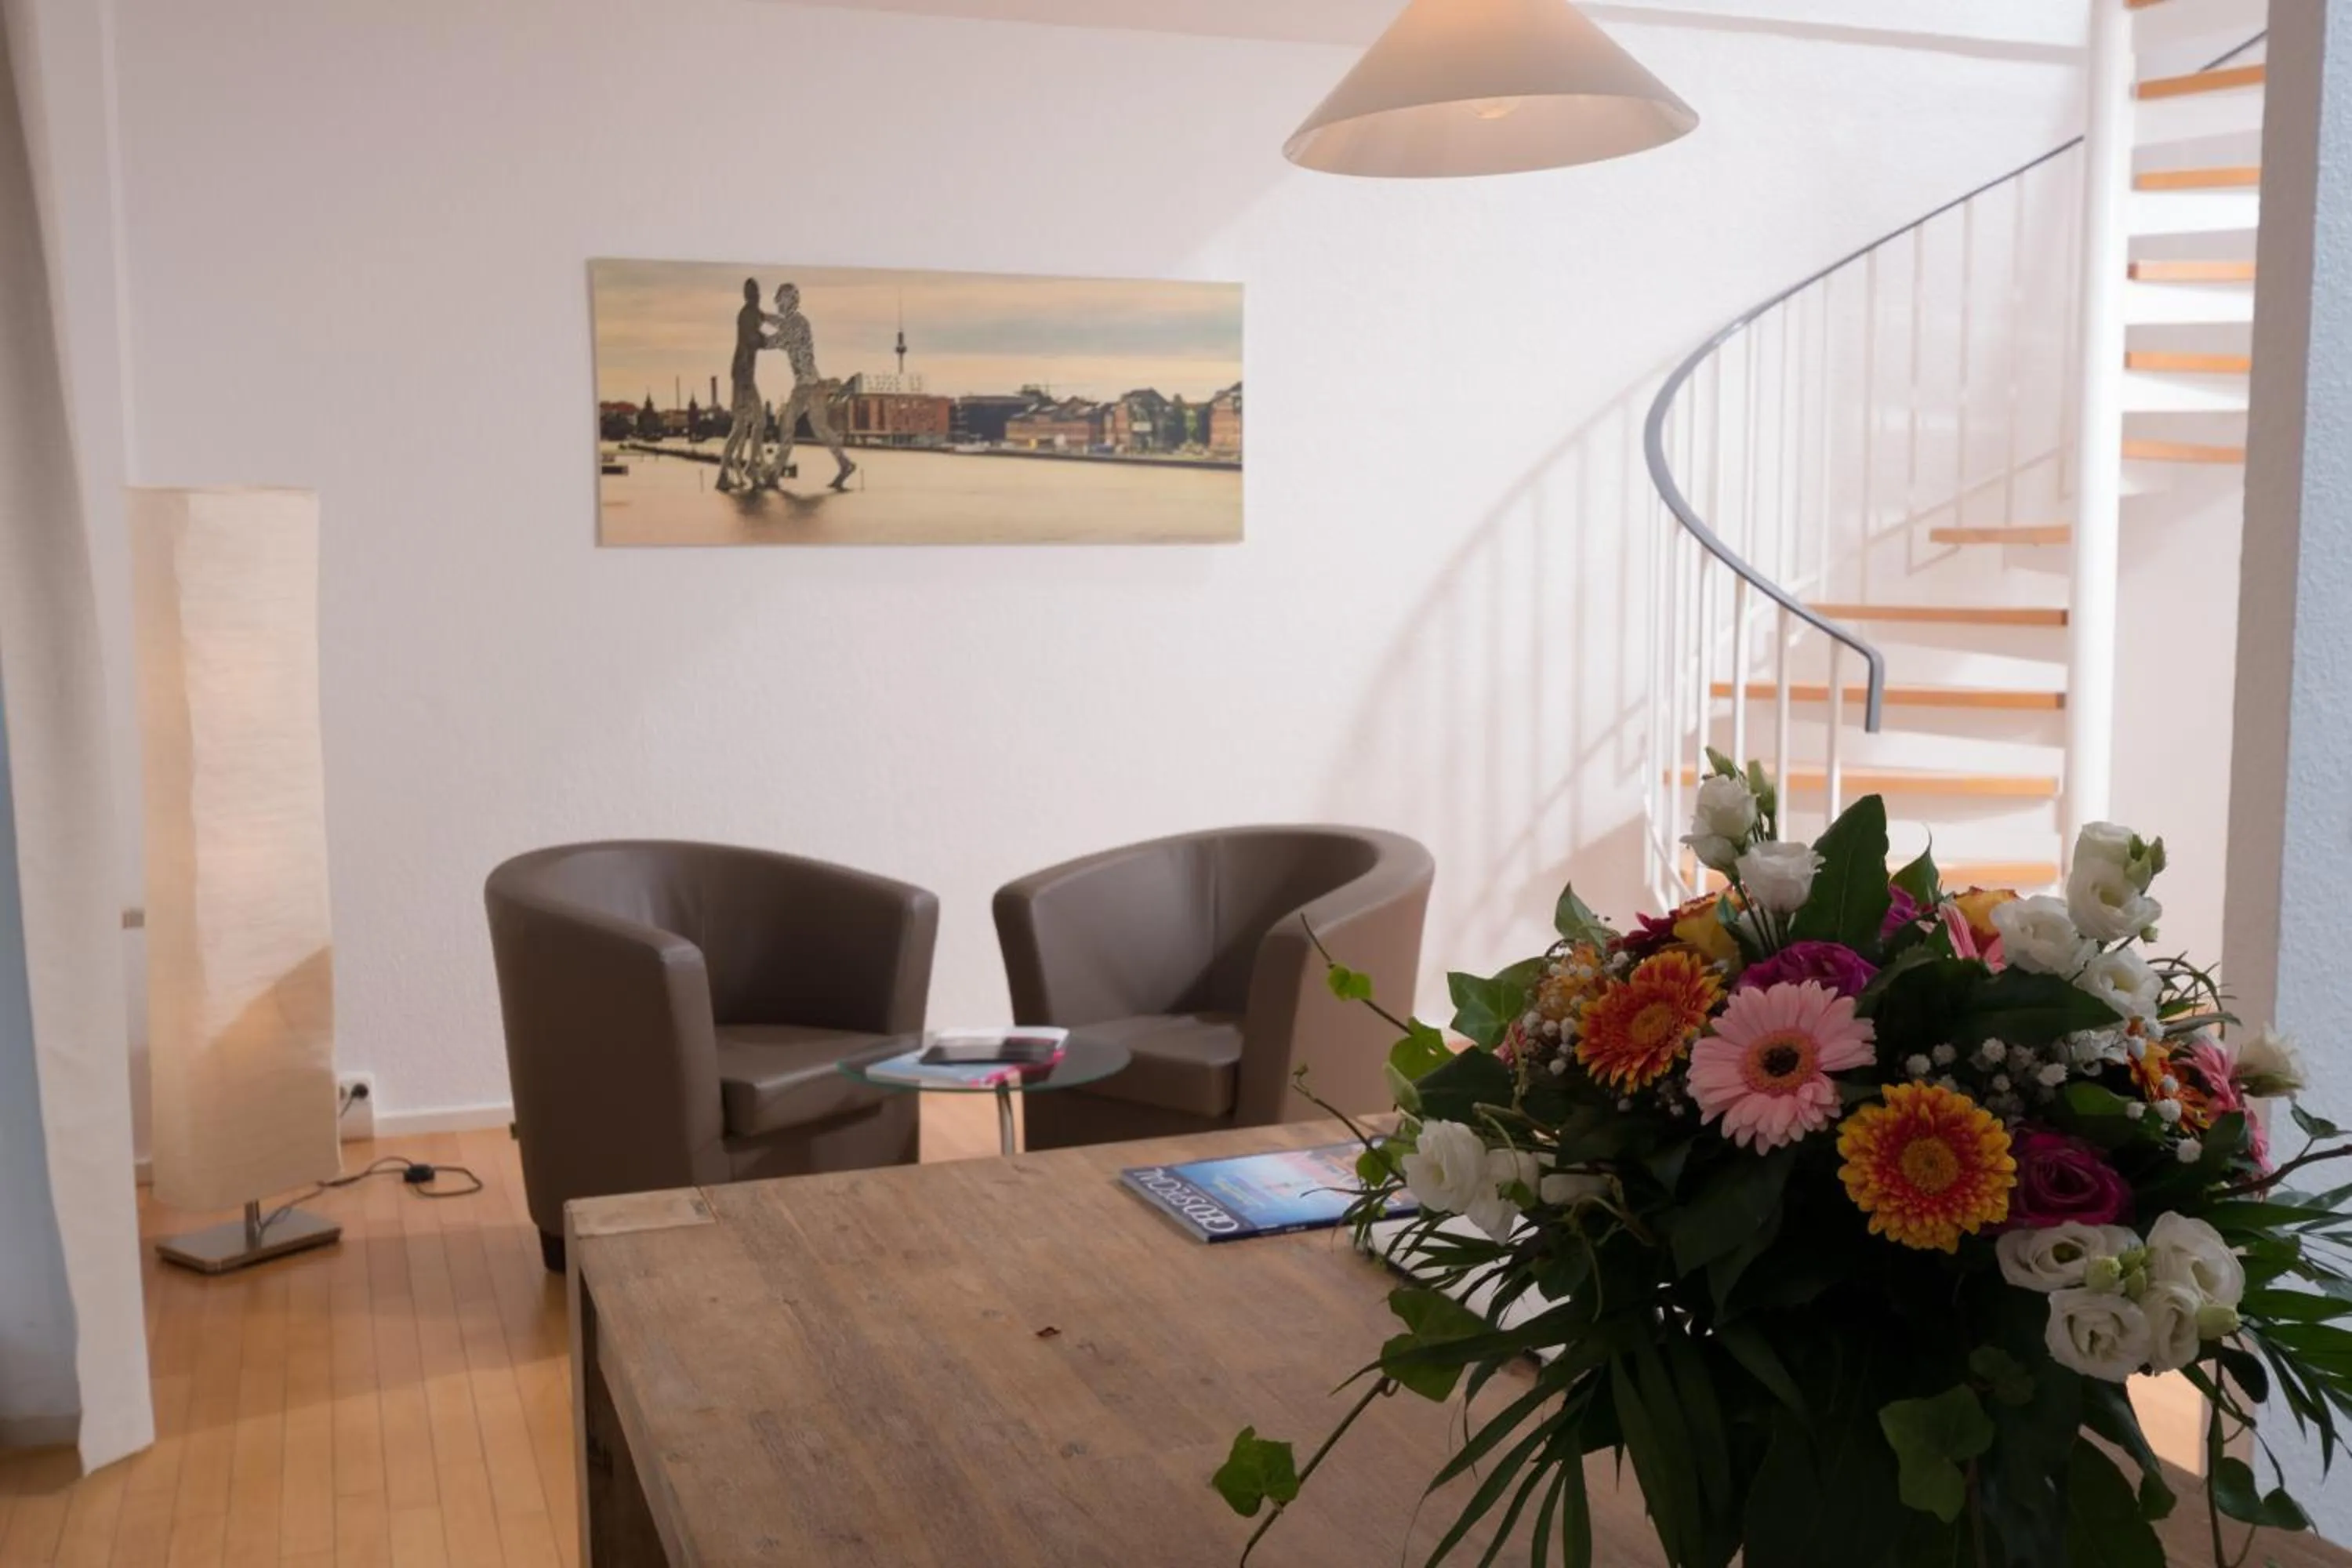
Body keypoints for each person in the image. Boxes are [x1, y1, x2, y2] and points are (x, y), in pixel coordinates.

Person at [757, 282, 857, 492]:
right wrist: (762, 317)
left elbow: (778, 340)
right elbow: (780, 324)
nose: (778, 304)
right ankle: (845, 464)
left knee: (789, 424)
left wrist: (756, 337)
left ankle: (774, 474)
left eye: (781, 299)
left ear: (790, 300)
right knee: (818, 428)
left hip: (808, 387)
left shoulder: (798, 323)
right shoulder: (794, 321)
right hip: (810, 385)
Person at [715, 278, 767, 492]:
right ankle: (732, 472)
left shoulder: (753, 313)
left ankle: (743, 469)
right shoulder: (747, 315)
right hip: (743, 375)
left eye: (757, 292)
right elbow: (751, 342)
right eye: (754, 293)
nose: (757, 296)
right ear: (750, 295)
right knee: (742, 427)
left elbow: (768, 321)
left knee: (752, 423)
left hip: (745, 375)